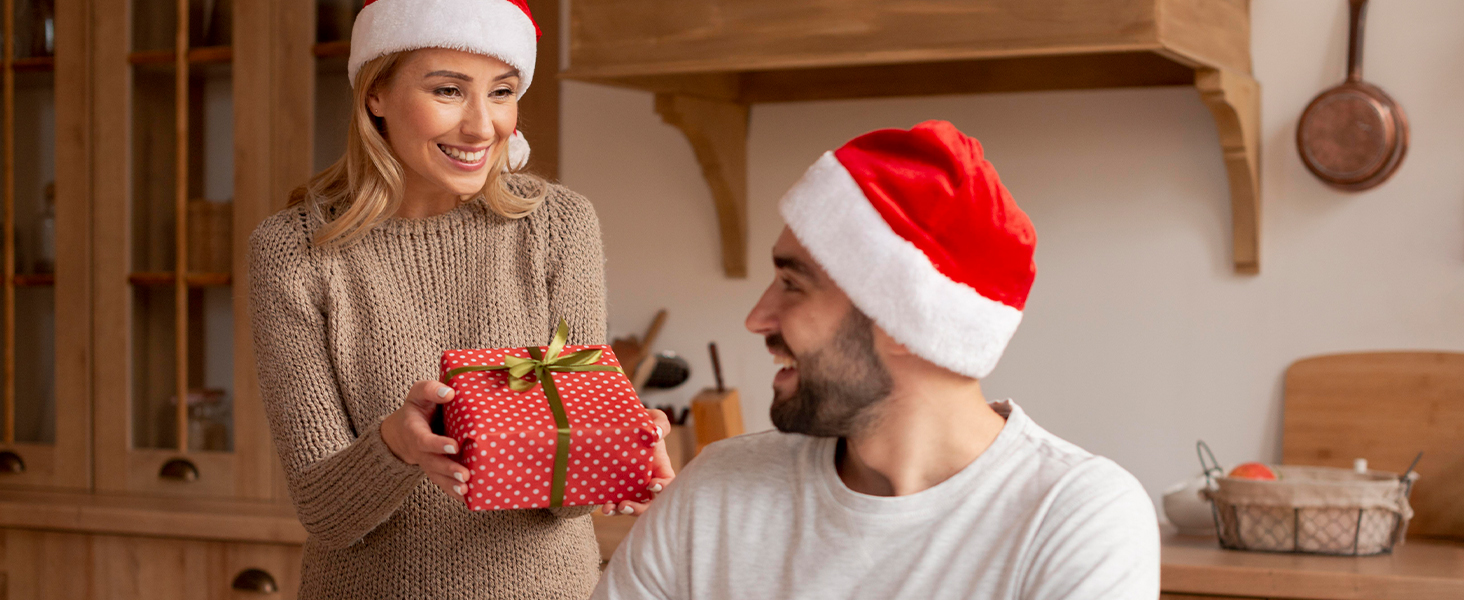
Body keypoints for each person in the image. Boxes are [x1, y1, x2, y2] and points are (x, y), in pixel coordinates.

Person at [594, 121, 1159, 599]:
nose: (758, 318)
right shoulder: (714, 494)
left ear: (903, 321)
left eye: (793, 284)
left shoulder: (1074, 517)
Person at [247, 0, 671, 597]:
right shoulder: (295, 250)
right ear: (376, 93)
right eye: (448, 90)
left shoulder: (558, 226)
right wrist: (398, 444)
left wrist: (607, 454)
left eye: (501, 92)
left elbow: (563, 508)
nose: (482, 126)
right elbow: (325, 513)